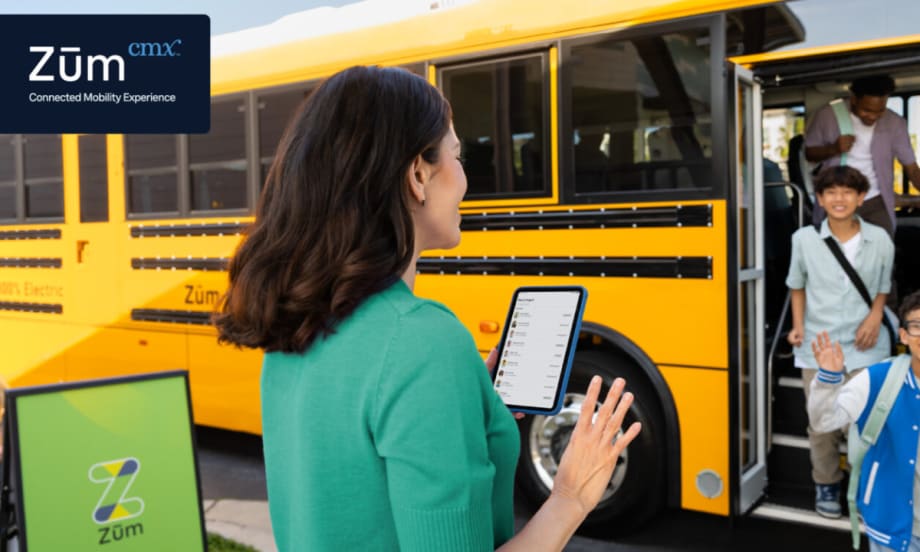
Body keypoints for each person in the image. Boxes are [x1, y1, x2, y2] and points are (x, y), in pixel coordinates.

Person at [215, 66, 642, 552]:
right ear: (418, 175)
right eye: (459, 156)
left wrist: (464, 399)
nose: (465, 179)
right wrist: (570, 497)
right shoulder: (423, 344)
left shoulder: (295, 325)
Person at [786, 165, 894, 518]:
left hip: (867, 343)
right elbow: (797, 285)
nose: (839, 199)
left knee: (866, 425)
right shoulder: (803, 239)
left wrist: (876, 315)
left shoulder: (880, 238)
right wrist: (798, 327)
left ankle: (864, 486)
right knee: (821, 424)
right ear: (819, 199)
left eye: (848, 192)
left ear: (861, 198)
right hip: (819, 346)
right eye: (831, 192)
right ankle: (827, 482)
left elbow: (882, 286)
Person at [807, 290, 920, 551]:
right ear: (903, 336)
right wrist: (827, 380)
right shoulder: (879, 379)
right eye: (916, 326)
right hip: (894, 530)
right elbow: (824, 422)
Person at [804, 74, 920, 238]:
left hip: (876, 200)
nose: (873, 117)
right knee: (838, 255)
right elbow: (809, 154)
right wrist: (833, 148)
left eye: (879, 111)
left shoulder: (895, 122)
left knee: (882, 251)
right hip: (838, 199)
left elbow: (912, 167)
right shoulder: (827, 115)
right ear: (853, 100)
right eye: (866, 110)